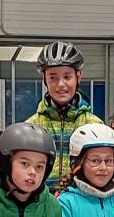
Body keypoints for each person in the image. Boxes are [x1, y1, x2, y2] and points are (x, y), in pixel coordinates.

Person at [25, 42, 104, 187]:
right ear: (44, 80)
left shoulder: (94, 125)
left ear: (78, 77)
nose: (61, 84)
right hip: (40, 199)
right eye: (53, 78)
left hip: (81, 199)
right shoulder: (31, 126)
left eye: (67, 77)